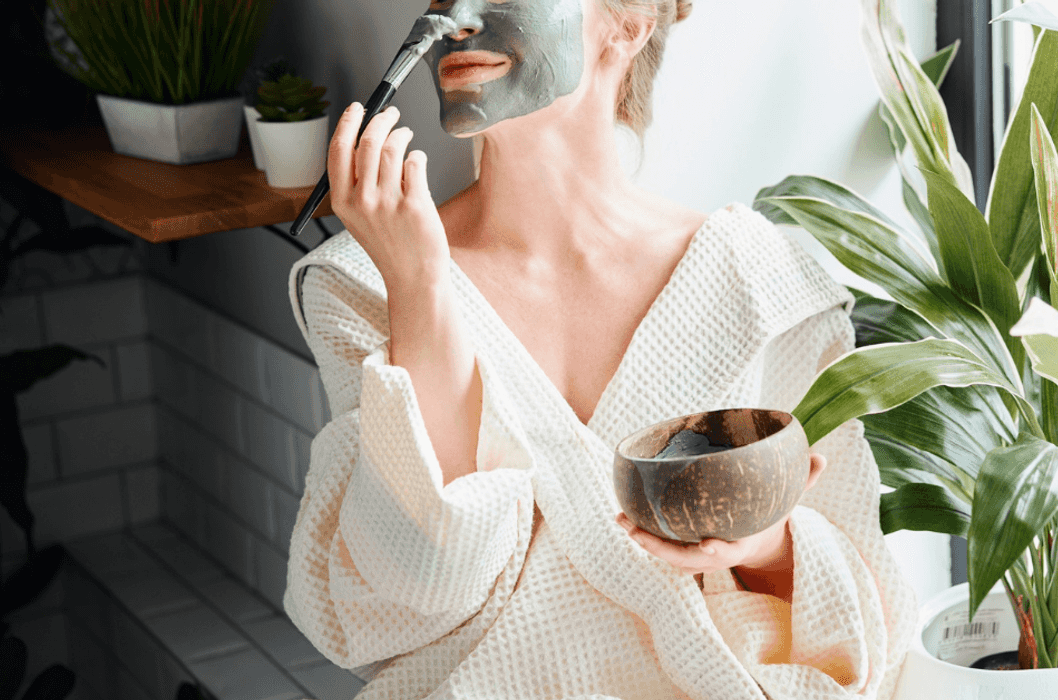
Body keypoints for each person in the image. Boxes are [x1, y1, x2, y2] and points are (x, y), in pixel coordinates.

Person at [283, 0, 917, 698]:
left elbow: (864, 608)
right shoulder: (363, 283)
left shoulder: (758, 282)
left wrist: (761, 543)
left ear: (626, 22)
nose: (455, 16)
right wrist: (420, 284)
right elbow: (422, 582)